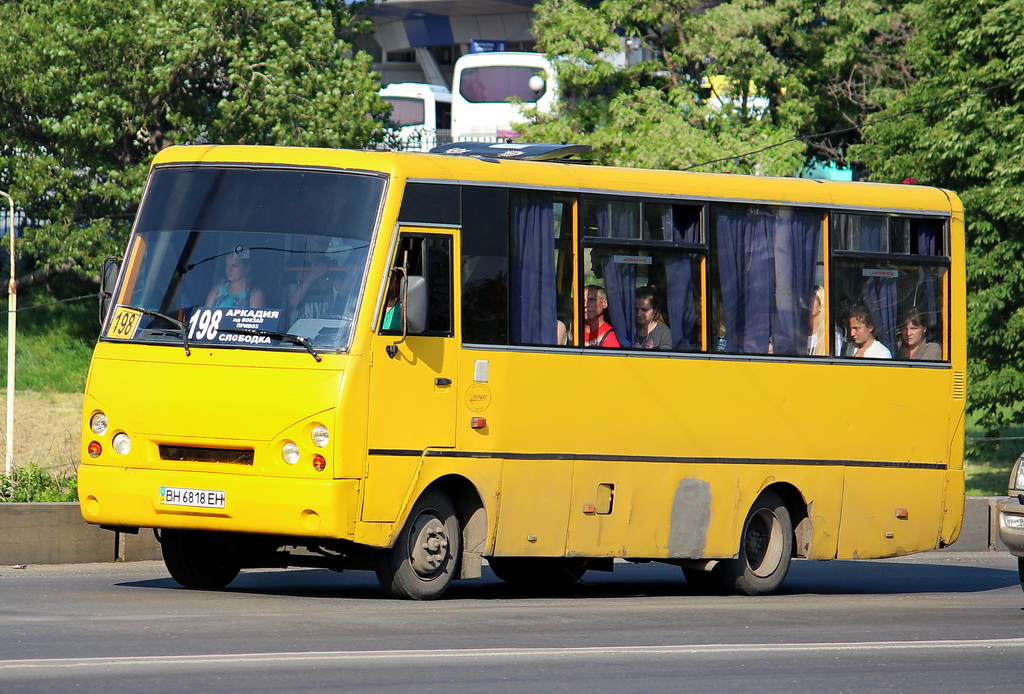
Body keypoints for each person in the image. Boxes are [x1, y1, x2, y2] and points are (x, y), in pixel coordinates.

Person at [288, 236, 335, 321]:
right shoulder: (293, 264)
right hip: (300, 326)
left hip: (327, 324)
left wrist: (351, 274)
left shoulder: (331, 263)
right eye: (321, 242)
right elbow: (294, 302)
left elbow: (343, 291)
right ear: (307, 238)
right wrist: (311, 277)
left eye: (327, 243)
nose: (324, 247)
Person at [634, 286, 672, 350]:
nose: (639, 314)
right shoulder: (630, 328)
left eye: (644, 310)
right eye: (636, 309)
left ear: (655, 310)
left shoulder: (664, 333)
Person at [807, 286, 828, 356]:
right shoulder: (799, 334)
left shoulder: (829, 336)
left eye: (811, 300)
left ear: (820, 306)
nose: (806, 303)